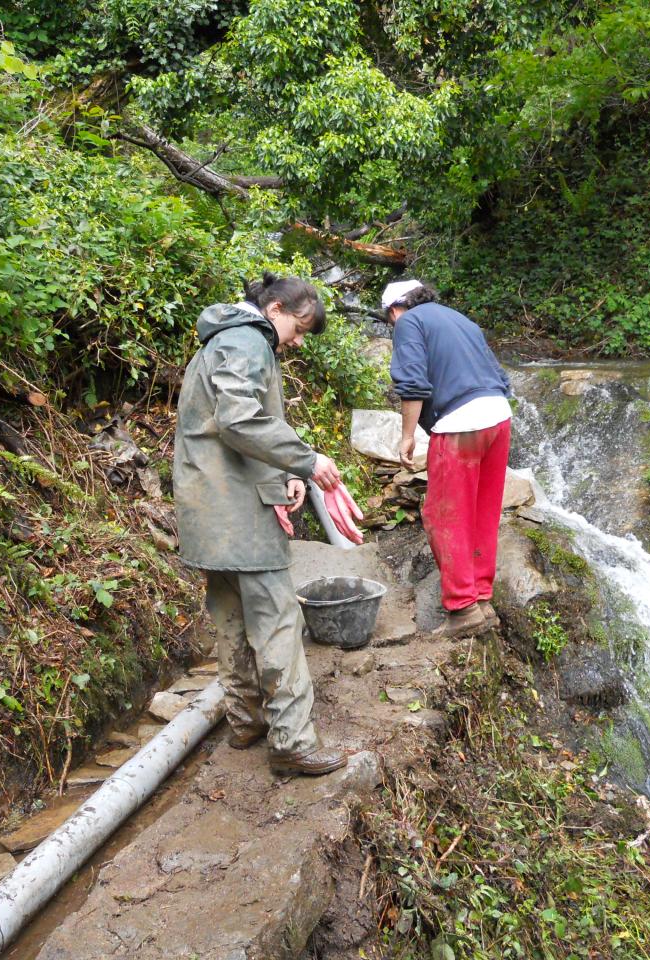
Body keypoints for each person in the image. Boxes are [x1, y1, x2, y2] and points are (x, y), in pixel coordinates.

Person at [173, 273, 348, 776]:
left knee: (229, 616)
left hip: (207, 511)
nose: (296, 341)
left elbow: (226, 429)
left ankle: (245, 720)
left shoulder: (221, 340)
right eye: (298, 327)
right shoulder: (248, 340)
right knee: (277, 621)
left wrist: (284, 474)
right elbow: (240, 420)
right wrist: (307, 460)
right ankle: (292, 743)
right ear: (274, 309)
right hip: (238, 515)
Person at [382, 279, 513, 638]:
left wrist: (408, 436)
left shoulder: (409, 322)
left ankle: (462, 609)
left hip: (460, 425)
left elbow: (411, 383)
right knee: (482, 512)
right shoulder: (461, 320)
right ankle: (482, 599)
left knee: (444, 517)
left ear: (395, 310)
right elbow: (500, 375)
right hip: (499, 417)